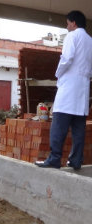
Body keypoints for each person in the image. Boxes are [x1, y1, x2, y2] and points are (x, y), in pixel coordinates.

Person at [35, 10, 92, 170]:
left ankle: (54, 159)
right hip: (83, 89)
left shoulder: (72, 36)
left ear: (73, 23)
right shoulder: (90, 41)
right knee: (78, 128)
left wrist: (58, 74)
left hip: (69, 87)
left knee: (58, 125)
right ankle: (76, 160)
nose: (67, 27)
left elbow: (66, 58)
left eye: (67, 23)